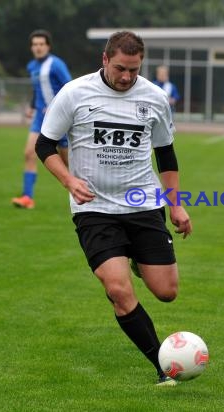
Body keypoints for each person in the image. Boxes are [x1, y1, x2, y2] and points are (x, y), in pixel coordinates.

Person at [35, 31, 192, 386]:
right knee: (118, 291)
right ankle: (163, 367)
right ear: (104, 59)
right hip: (94, 209)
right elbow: (46, 144)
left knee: (167, 292)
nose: (126, 77)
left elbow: (165, 152)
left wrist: (176, 206)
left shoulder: (154, 97)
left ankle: (135, 256)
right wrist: (68, 181)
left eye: (133, 71)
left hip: (143, 204)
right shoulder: (75, 93)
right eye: (120, 68)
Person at [12, 29, 72, 209]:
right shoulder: (32, 66)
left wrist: (57, 107)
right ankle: (27, 198)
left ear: (48, 46)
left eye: (41, 44)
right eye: (35, 44)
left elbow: (70, 88)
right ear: (31, 47)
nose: (38, 47)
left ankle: (86, 194)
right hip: (40, 118)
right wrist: (32, 106)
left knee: (69, 164)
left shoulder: (56, 64)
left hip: (60, 118)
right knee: (29, 153)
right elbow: (37, 89)